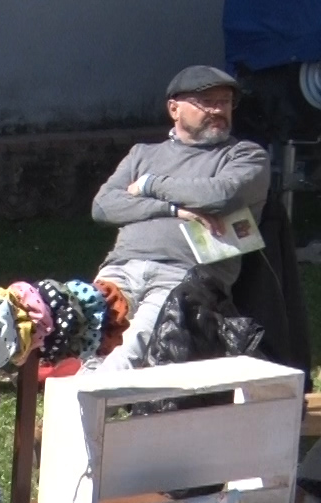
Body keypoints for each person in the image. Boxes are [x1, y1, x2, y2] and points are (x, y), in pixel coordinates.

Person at [89, 65, 269, 370]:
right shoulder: (142, 154)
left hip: (186, 276)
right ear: (174, 109)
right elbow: (104, 206)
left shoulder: (245, 155)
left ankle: (91, 394)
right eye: (207, 102)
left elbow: (220, 195)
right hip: (121, 266)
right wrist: (172, 209)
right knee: (87, 336)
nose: (218, 110)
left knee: (126, 354)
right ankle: (83, 390)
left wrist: (149, 185)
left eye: (225, 102)